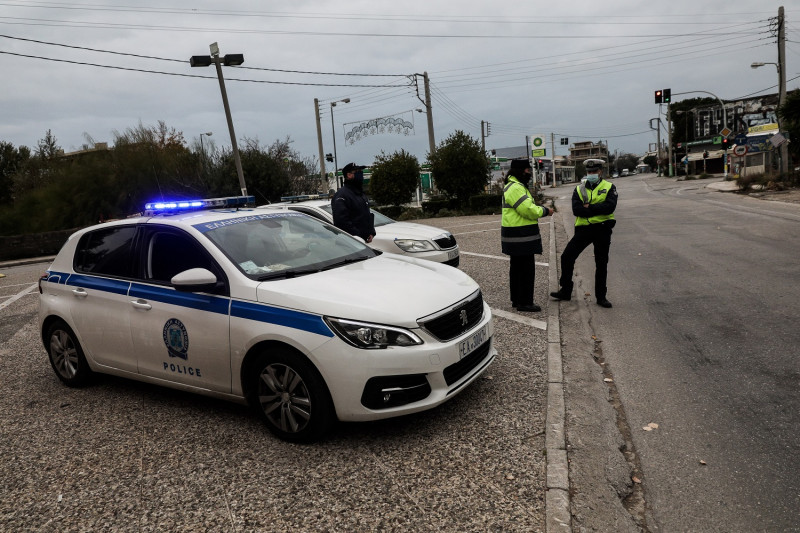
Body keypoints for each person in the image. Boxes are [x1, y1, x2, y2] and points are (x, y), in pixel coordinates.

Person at [550, 159, 618, 308]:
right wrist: (594, 208)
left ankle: (601, 297)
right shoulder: (579, 189)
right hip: (584, 230)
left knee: (601, 263)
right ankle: (566, 291)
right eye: (589, 172)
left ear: (600, 171)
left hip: (602, 228)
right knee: (567, 257)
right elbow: (577, 210)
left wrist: (589, 207)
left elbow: (610, 207)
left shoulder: (609, 187)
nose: (592, 174)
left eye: (594, 171)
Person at [501, 158, 553, 313]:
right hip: (521, 237)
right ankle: (525, 302)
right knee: (525, 271)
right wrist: (545, 211)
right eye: (527, 170)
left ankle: (517, 300)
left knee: (517, 270)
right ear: (520, 170)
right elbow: (527, 210)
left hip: (517, 236)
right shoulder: (516, 187)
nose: (529, 173)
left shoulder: (513, 185)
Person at [331, 162, 376, 243]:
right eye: (357, 171)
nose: (361, 174)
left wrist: (371, 232)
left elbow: (367, 215)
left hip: (362, 243)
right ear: (348, 175)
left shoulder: (360, 194)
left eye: (361, 171)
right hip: (349, 244)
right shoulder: (342, 195)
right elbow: (342, 222)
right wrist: (359, 236)